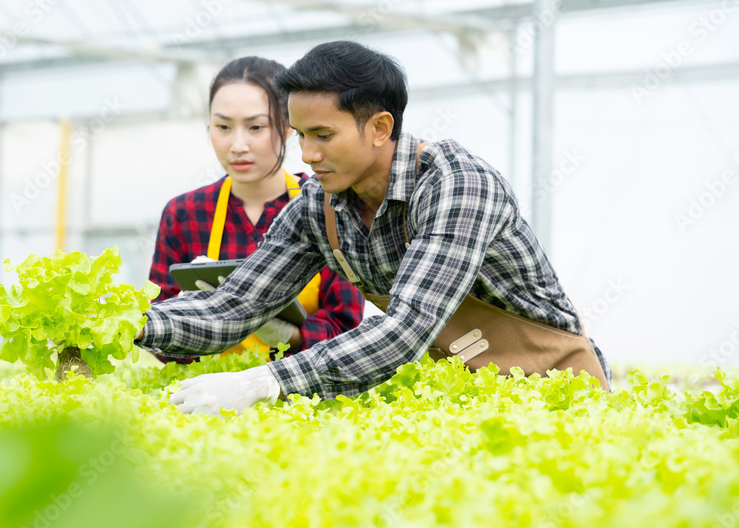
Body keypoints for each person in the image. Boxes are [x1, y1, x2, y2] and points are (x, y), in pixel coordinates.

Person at [138, 41, 611, 415]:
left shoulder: (456, 186)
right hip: (463, 400)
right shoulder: (318, 207)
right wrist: (125, 328)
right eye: (301, 135)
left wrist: (265, 383)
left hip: (556, 394)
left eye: (324, 135)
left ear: (381, 127)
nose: (307, 154)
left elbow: (407, 328)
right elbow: (235, 304)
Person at [148, 55, 364, 362]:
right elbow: (155, 337)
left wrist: (286, 333)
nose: (237, 145)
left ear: (289, 127)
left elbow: (347, 333)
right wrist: (183, 322)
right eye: (223, 126)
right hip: (205, 400)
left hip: (301, 397)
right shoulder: (183, 215)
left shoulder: (330, 206)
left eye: (256, 127)